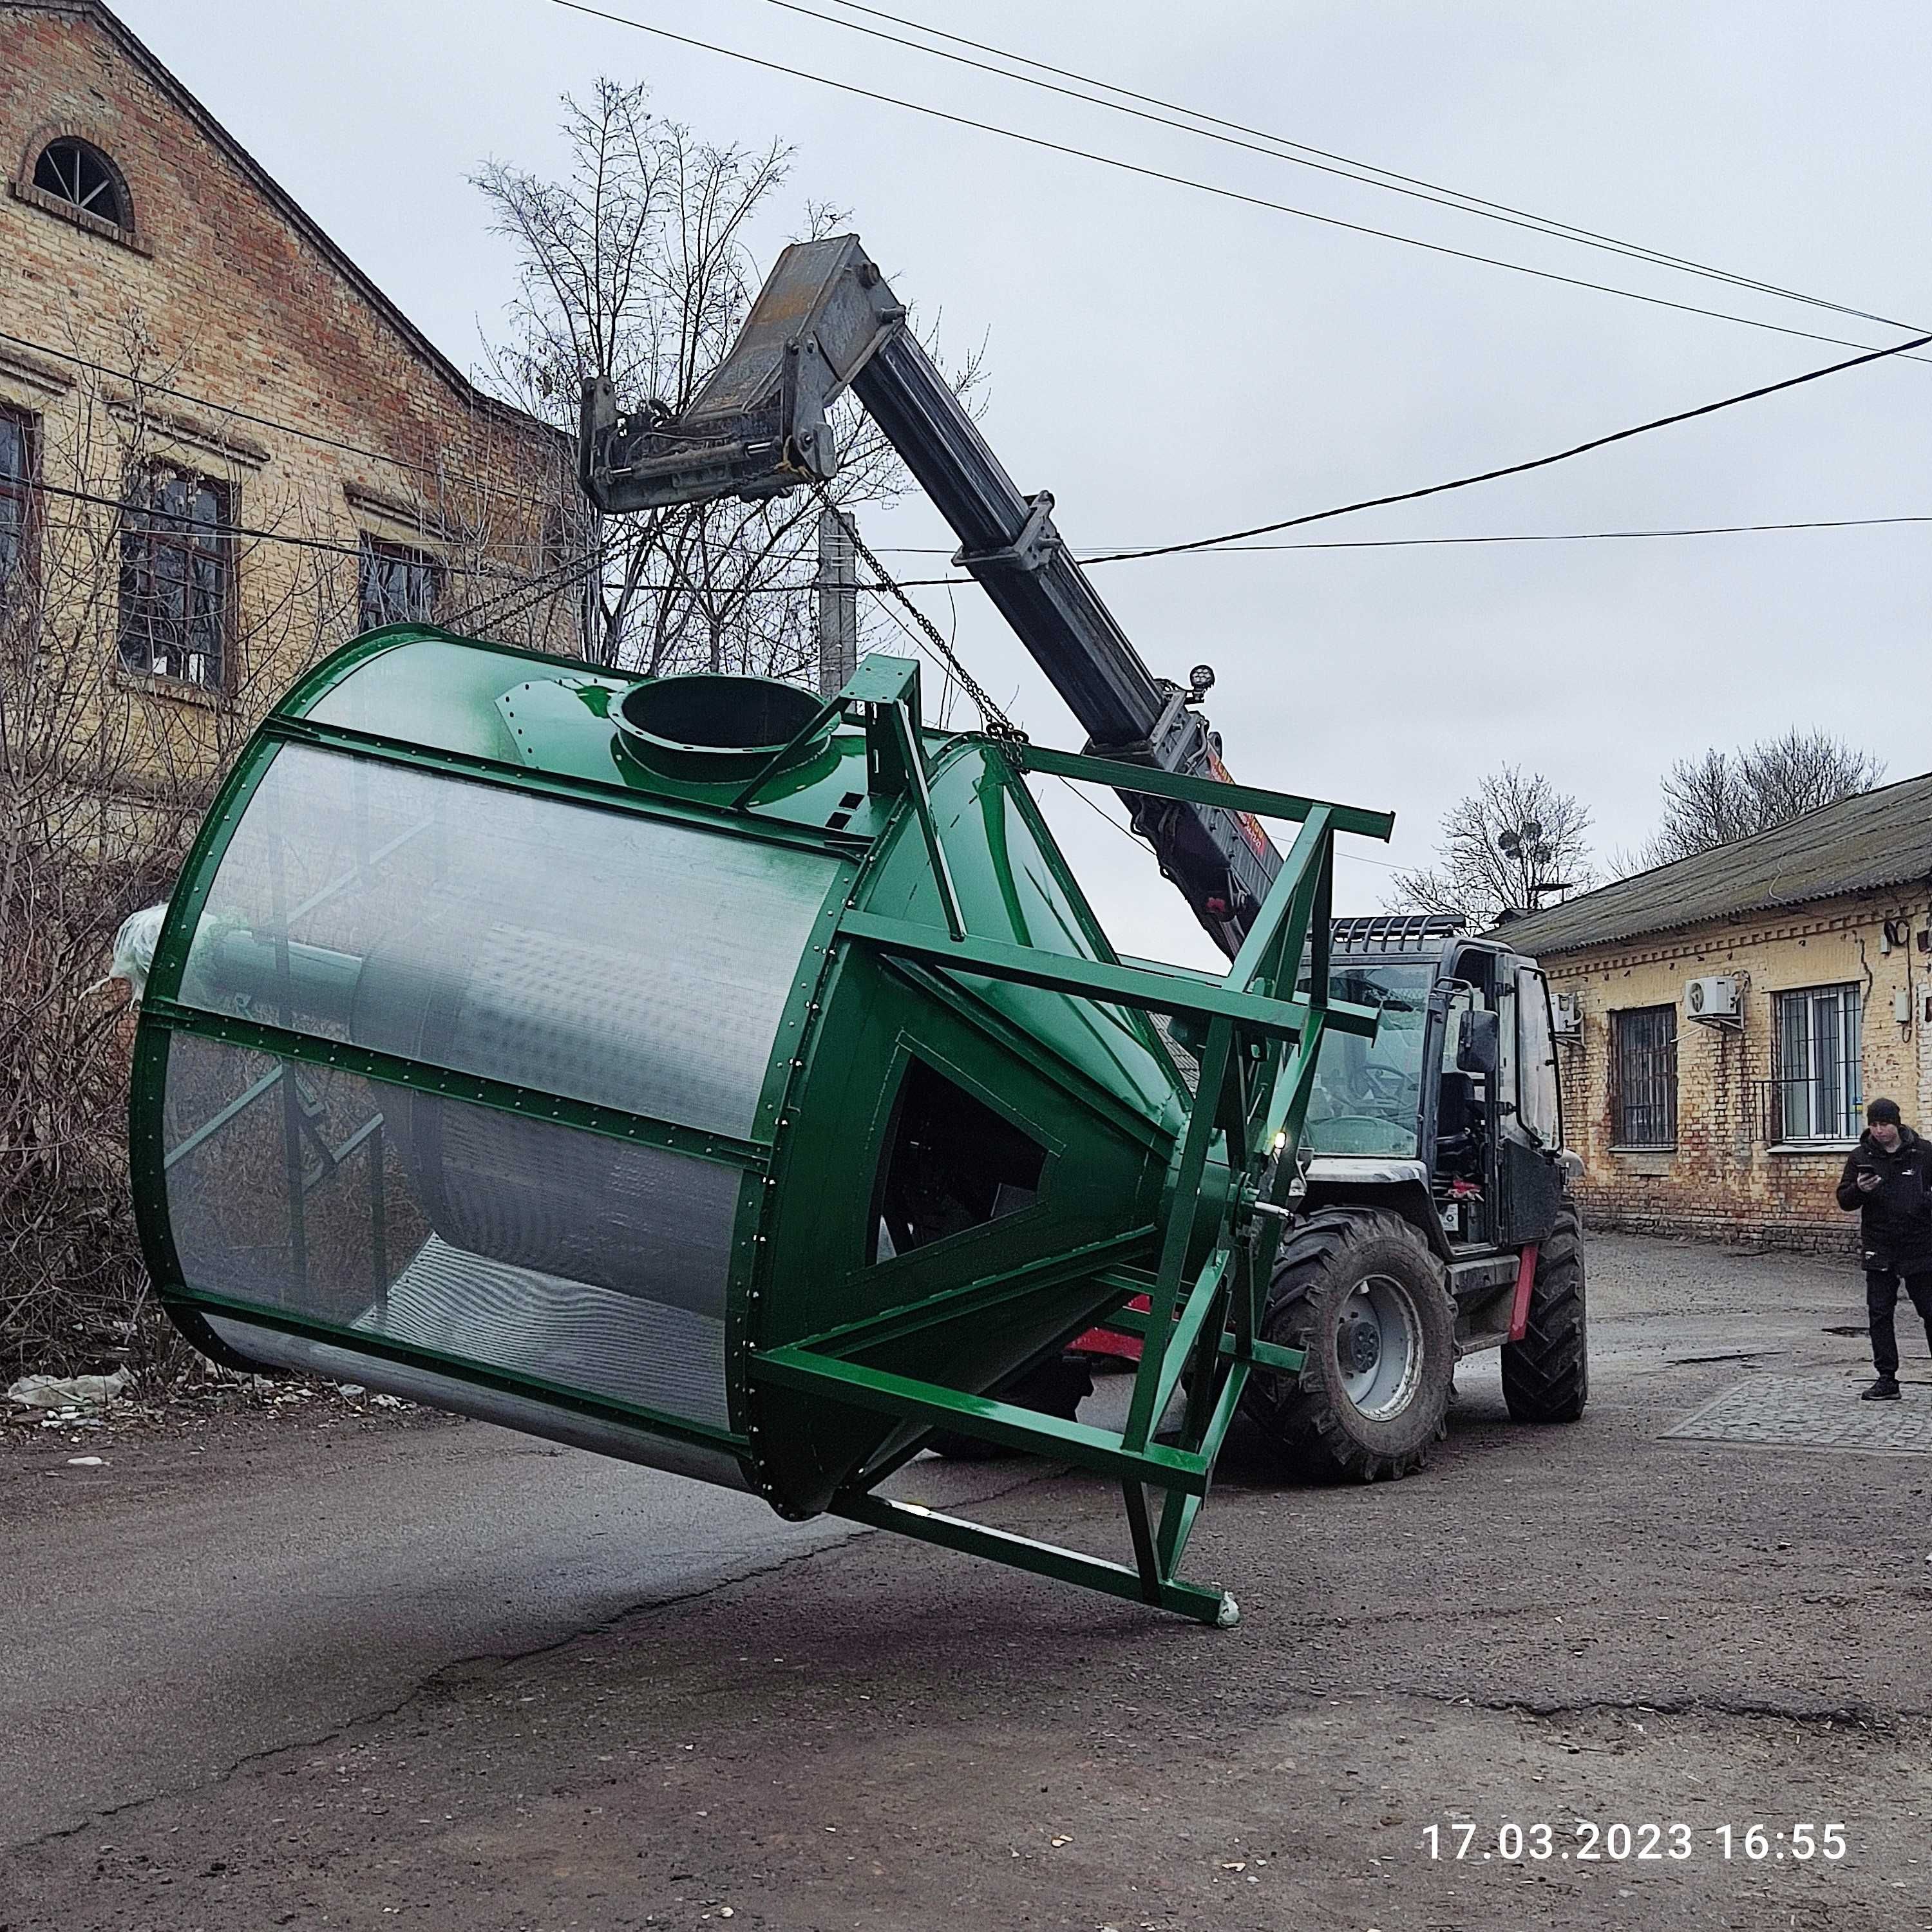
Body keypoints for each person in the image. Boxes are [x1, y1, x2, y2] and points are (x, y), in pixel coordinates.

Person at [1835, 1097, 1932, 1401]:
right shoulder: (1861, 1156)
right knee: (1879, 1314)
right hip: (1879, 1246)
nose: (1879, 1131)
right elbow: (1845, 1200)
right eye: (1874, 1125)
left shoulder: (1924, 1153)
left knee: (1930, 1311)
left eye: (1885, 1125)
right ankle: (1887, 1378)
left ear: (1897, 1123)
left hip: (1920, 1247)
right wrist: (1860, 1190)